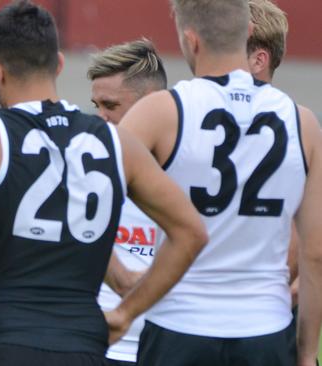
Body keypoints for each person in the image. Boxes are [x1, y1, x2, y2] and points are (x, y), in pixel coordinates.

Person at [0, 1, 208, 365]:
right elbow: (191, 231)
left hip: (3, 338)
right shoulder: (115, 140)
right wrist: (126, 312)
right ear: (58, 63)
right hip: (81, 342)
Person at [119, 1, 322, 365]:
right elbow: (315, 252)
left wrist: (119, 285)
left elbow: (89, 199)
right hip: (265, 330)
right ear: (246, 32)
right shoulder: (302, 122)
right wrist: (306, 352)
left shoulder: (162, 111)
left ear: (191, 40)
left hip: (179, 326)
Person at [87, 39, 167, 366]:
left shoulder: (191, 174)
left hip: (166, 351)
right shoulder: (86, 170)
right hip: (98, 349)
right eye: (97, 107)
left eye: (111, 105)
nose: (101, 118)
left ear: (150, 103)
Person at [247, 0, 303, 309]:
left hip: (263, 312)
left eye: (227, 51)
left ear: (259, 60)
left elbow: (305, 233)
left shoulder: (298, 128)